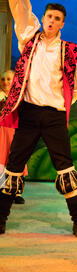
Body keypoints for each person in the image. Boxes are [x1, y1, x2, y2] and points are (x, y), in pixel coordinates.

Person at [0, 0, 77, 239]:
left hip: (53, 115)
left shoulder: (70, 51)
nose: (51, 21)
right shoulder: (29, 39)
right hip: (28, 112)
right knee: (13, 165)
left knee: (65, 167)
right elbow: (20, 8)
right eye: (49, 16)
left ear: (62, 24)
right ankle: (1, 218)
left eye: (57, 19)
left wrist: (62, 106)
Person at [0, 70, 27, 204]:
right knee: (1, 160)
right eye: (3, 79)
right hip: (1, 132)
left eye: (8, 79)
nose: (5, 82)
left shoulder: (19, 97)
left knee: (16, 159)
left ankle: (16, 192)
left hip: (15, 132)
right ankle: (2, 189)